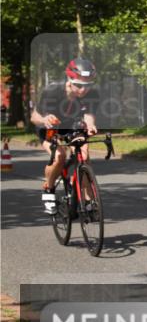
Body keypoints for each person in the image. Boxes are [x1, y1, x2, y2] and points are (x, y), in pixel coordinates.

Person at [30, 58, 100, 215]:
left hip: (72, 126)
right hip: (50, 128)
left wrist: (90, 125)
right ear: (69, 80)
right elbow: (34, 117)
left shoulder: (92, 94)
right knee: (59, 156)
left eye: (88, 85)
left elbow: (89, 115)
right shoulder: (52, 90)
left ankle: (88, 200)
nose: (83, 90)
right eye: (79, 85)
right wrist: (44, 119)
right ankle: (48, 189)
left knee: (84, 154)